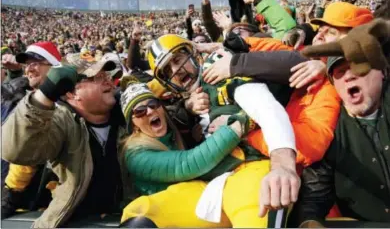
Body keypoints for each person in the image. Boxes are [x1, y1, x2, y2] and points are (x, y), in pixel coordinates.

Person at [147, 34, 300, 222]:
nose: (176, 71)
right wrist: (186, 108)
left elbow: (265, 107)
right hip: (210, 183)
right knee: (143, 214)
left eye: (178, 59)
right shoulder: (186, 100)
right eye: (167, 71)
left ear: (194, 54)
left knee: (254, 216)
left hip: (248, 169)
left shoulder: (219, 70)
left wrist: (283, 164)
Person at [119, 82, 292, 228]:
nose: (149, 111)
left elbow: (178, 101)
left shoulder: (172, 127)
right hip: (184, 202)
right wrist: (241, 123)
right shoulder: (135, 154)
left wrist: (189, 106)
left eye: (153, 104)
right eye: (140, 111)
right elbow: (187, 164)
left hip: (218, 185)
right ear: (133, 124)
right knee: (139, 214)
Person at [2, 54, 127, 228]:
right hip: (71, 221)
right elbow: (15, 150)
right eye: (96, 78)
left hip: (123, 218)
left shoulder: (129, 113)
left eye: (107, 76)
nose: (108, 82)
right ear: (71, 92)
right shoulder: (60, 121)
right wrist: (43, 95)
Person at [290, 18, 390, 227]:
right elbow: (314, 197)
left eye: (358, 66)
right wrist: (309, 221)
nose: (349, 77)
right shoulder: (330, 131)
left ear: (383, 72)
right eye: (339, 72)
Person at [2, 41, 62, 219]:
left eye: (36, 63)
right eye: (27, 64)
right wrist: (14, 73)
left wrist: (10, 194)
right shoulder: (18, 94)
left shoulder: (66, 104)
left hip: (35, 199)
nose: (30, 69)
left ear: (55, 66)